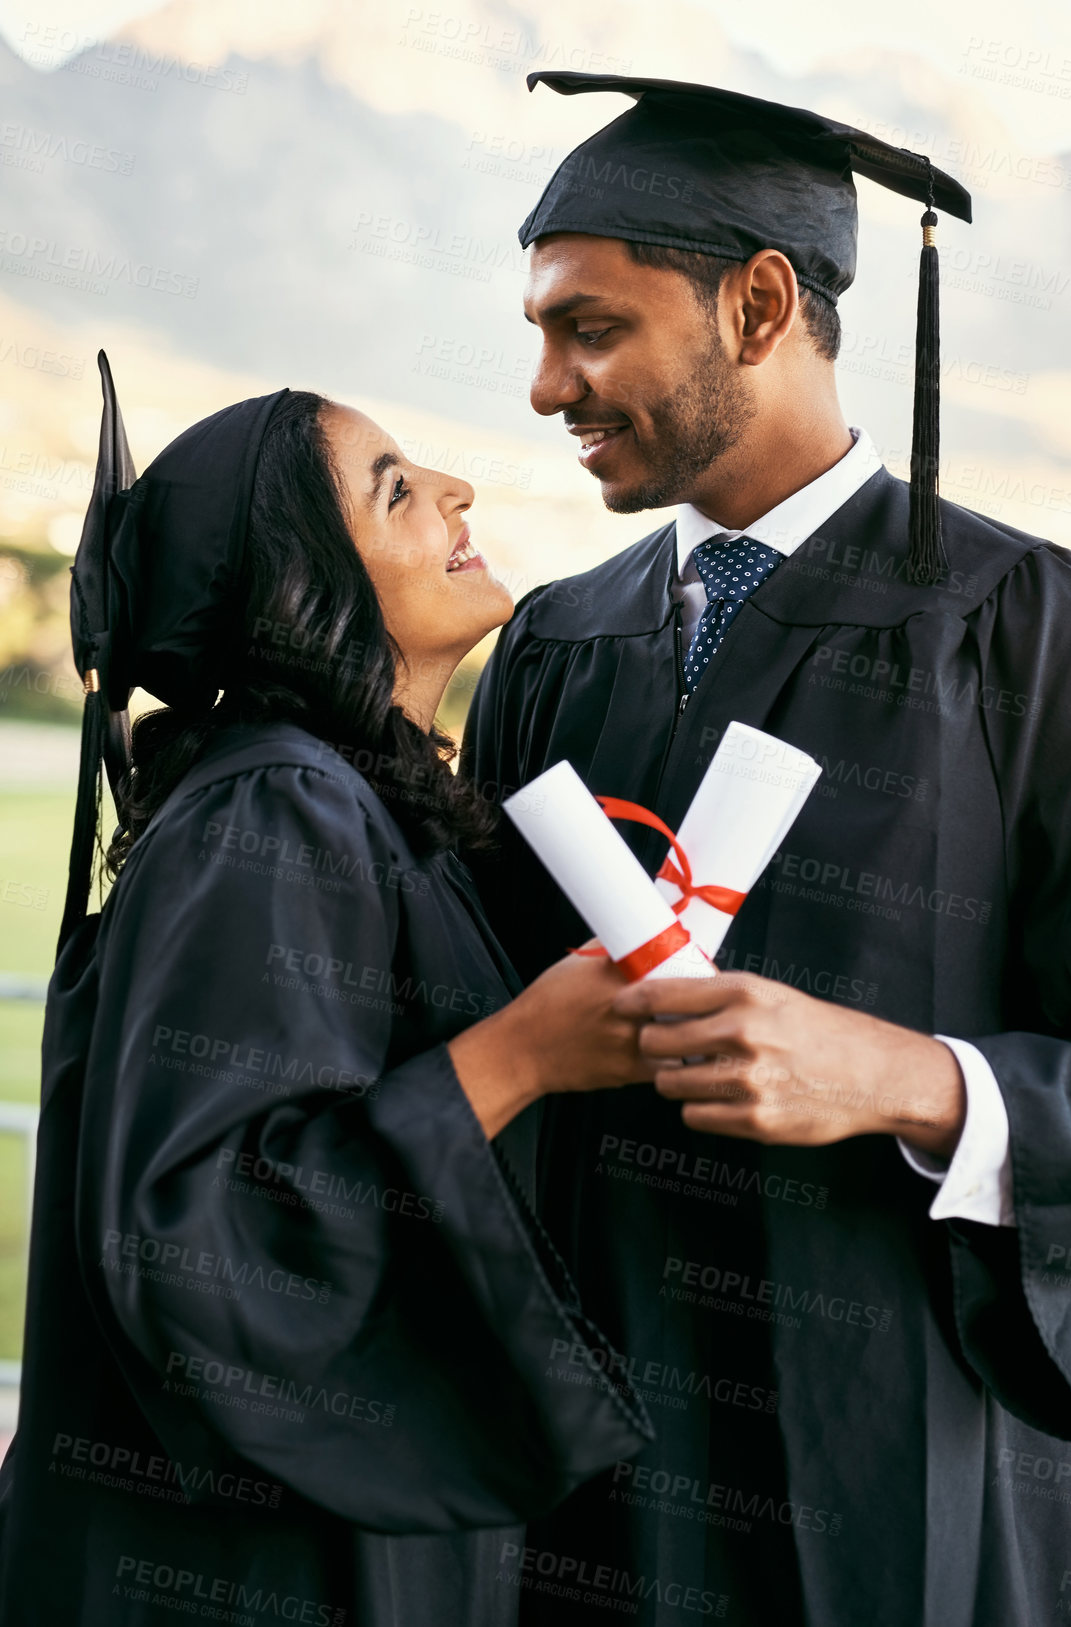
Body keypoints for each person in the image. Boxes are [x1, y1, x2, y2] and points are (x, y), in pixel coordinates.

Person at [461, 73, 1071, 1625]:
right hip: (573, 1488)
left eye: (590, 326)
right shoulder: (554, 643)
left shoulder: (1021, 631)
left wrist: (910, 1078)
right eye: (541, 332)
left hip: (889, 1476)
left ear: (758, 304)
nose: (546, 386)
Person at [0, 360, 656, 1626]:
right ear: (301, 587)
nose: (459, 489)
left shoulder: (353, 800)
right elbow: (197, 1229)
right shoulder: (277, 806)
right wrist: (521, 1055)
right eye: (397, 491)